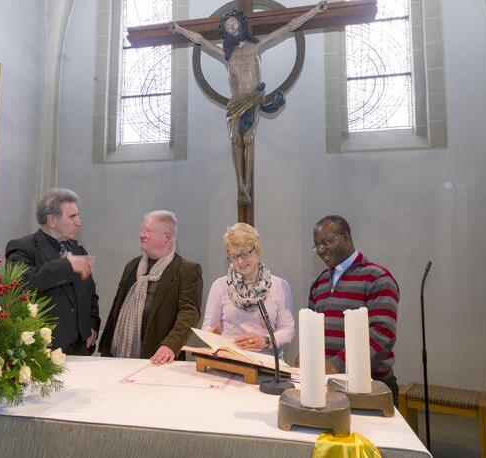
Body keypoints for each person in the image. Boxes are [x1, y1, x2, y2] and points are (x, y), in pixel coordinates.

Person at [170, 1, 327, 205]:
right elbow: (200, 40)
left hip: (252, 99)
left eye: (234, 23)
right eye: (228, 26)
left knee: (249, 138)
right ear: (226, 31)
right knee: (235, 139)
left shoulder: (256, 46)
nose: (232, 27)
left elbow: (288, 27)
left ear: (241, 25)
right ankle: (240, 187)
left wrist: (314, 11)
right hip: (235, 102)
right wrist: (180, 29)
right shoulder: (227, 55)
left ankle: (247, 185)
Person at [308, 215, 400, 403]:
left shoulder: (377, 277)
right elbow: (312, 330)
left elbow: (382, 334)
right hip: (326, 384)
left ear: (346, 238)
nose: (321, 250)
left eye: (326, 242)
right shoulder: (319, 282)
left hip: (370, 386)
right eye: (317, 245)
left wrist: (337, 363)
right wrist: (307, 354)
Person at [99, 211, 202, 364]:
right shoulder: (132, 265)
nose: (142, 235)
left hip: (160, 358)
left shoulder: (186, 270)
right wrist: (105, 348)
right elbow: (117, 307)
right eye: (142, 230)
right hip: (119, 356)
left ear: (166, 237)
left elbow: (189, 313)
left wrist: (171, 345)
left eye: (148, 231)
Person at [5, 188, 100, 355]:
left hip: (81, 347)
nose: (79, 221)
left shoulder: (78, 249)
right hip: (45, 349)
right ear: (52, 220)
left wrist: (92, 324)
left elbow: (90, 293)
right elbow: (21, 284)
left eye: (78, 215)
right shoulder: (22, 247)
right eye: (72, 216)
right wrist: (66, 266)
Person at [202, 223, 294, 355]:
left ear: (256, 250)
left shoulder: (280, 286)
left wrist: (265, 341)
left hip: (266, 367)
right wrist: (212, 333)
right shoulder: (219, 286)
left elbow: (288, 331)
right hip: (229, 362)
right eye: (234, 256)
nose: (240, 261)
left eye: (245, 254)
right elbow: (208, 328)